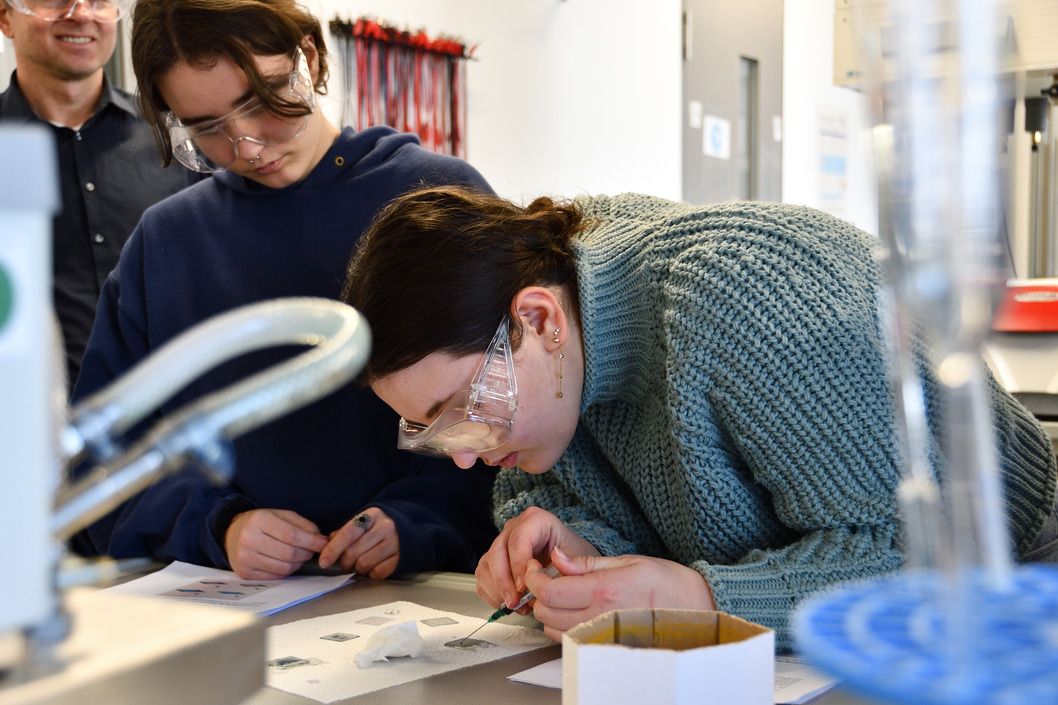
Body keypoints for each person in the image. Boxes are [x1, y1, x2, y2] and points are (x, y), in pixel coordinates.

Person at [341, 185, 1058, 649]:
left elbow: (918, 549)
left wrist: (702, 599)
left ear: (538, 320)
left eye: (464, 409)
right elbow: (575, 491)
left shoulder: (753, 300)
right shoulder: (552, 326)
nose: (465, 455)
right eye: (433, 433)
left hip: (1013, 578)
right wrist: (577, 545)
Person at [71, 0, 497, 581]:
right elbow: (103, 463)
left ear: (310, 57)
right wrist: (219, 526)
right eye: (206, 128)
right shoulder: (165, 244)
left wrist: (422, 521)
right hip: (235, 598)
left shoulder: (434, 199)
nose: (246, 145)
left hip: (428, 595)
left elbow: (517, 409)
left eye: (261, 100)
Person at [0, 0, 201, 388]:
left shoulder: (174, 134)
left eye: (99, 1)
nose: (81, 14)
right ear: (6, 18)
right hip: (24, 409)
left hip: (169, 408)